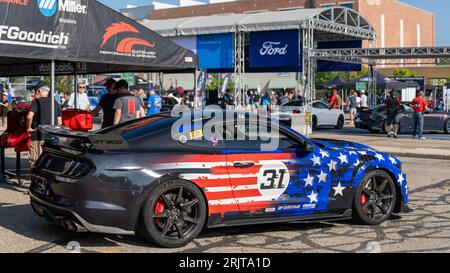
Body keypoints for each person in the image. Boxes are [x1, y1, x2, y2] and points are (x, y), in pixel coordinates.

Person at [26, 84, 62, 165]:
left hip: (38, 135)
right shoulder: (55, 103)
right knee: (50, 162)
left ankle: (35, 177)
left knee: (35, 160)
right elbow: (60, 122)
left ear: (38, 91)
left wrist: (28, 128)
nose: (34, 94)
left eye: (35, 92)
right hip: (53, 135)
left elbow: (29, 117)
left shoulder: (36, 102)